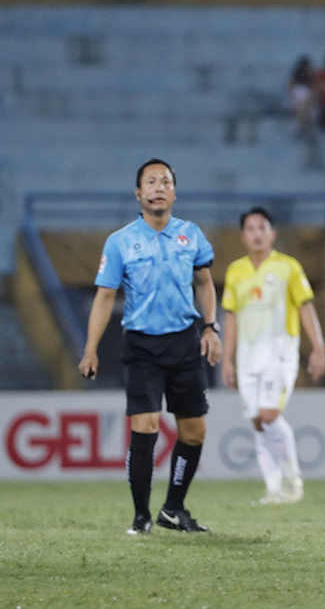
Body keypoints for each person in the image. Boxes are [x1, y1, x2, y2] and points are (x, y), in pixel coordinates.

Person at [79, 159, 220, 535]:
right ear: (138, 193)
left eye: (166, 181)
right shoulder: (121, 241)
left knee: (194, 432)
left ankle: (173, 509)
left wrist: (210, 327)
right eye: (151, 182)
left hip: (185, 343)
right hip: (141, 346)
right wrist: (91, 348)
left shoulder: (191, 234)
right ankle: (141, 517)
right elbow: (105, 296)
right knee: (146, 426)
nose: (159, 187)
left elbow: (204, 283)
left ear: (174, 191)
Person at [221, 207, 325, 505]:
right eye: (251, 229)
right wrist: (227, 359)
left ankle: (292, 478)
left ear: (272, 233)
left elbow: (305, 306)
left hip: (279, 354)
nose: (257, 234)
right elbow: (230, 318)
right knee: (257, 421)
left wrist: (318, 346)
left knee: (269, 414)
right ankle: (273, 489)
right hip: (246, 357)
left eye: (262, 227)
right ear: (243, 235)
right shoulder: (235, 271)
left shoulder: (288, 267)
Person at [287, 55, 317, 141]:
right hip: (295, 105)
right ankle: (304, 128)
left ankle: (303, 128)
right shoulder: (293, 82)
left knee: (305, 108)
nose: (305, 71)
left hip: (310, 107)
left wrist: (307, 104)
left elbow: (314, 96)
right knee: (301, 101)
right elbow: (291, 94)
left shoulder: (312, 82)